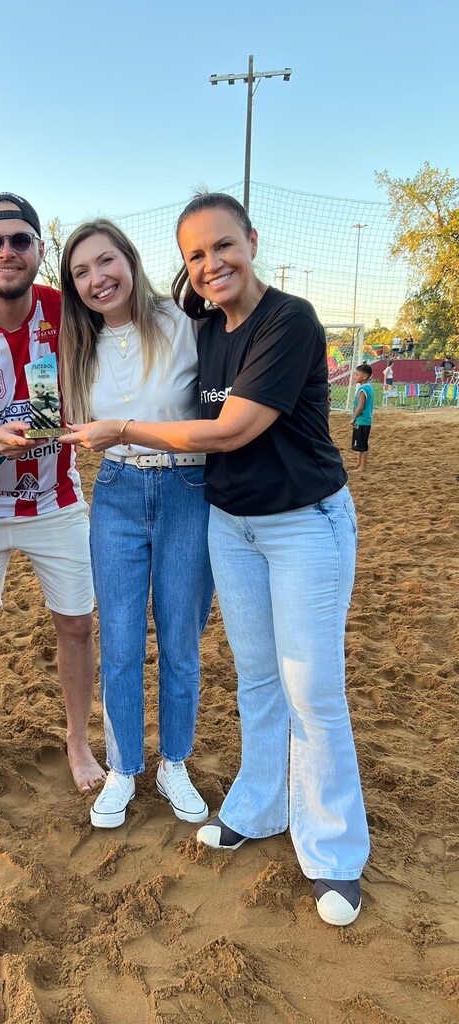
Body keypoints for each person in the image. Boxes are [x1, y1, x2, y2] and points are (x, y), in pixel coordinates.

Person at [62, 192, 369, 927]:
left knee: (313, 689)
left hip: (302, 521)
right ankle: (259, 807)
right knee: (260, 678)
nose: (211, 264)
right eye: (196, 255)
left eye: (222, 247)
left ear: (252, 241)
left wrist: (125, 430)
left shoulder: (287, 319)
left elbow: (232, 431)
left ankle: (332, 855)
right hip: (232, 523)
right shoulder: (210, 326)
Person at [0, 193, 104, 794]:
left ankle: (78, 741)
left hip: (59, 498)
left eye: (20, 241)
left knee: (78, 624)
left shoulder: (69, 311)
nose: (7, 252)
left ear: (39, 249)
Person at [58, 219, 214, 829]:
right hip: (118, 491)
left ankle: (174, 761)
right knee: (120, 640)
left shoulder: (184, 324)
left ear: (129, 258)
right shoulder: (80, 344)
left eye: (105, 262)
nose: (97, 280)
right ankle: (124, 768)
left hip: (185, 487)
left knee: (180, 639)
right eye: (81, 272)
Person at [351, 364, 374, 473]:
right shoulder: (368, 387)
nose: (355, 376)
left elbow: (360, 407)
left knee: (362, 444)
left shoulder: (363, 389)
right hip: (364, 420)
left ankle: (362, 466)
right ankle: (358, 464)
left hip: (362, 421)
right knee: (359, 443)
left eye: (357, 374)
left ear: (364, 377)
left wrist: (354, 418)